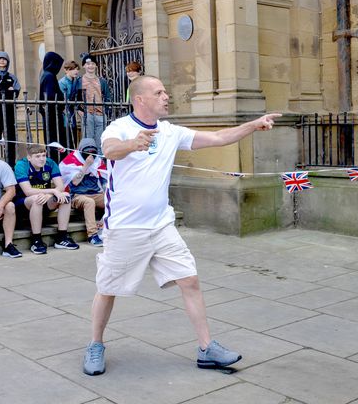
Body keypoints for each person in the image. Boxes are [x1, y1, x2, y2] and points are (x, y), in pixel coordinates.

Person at [82, 75, 280, 376]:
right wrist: (132, 144)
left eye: (165, 90)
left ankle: (206, 348)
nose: (166, 96)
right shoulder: (119, 128)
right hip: (125, 228)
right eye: (159, 92)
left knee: (190, 280)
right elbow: (109, 150)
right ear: (140, 99)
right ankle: (95, 345)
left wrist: (253, 125)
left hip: (162, 225)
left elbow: (217, 138)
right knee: (108, 289)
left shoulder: (170, 132)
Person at [14, 143, 79, 254]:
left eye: (43, 155)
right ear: (29, 158)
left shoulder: (50, 163)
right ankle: (36, 241)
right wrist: (52, 191)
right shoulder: (21, 165)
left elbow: (60, 187)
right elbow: (28, 191)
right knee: (36, 199)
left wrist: (49, 195)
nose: (42, 159)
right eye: (37, 156)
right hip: (23, 203)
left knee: (66, 197)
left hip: (45, 200)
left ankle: (61, 237)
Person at [59, 138, 107, 247]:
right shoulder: (71, 160)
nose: (90, 155)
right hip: (77, 195)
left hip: (95, 193)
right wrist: (86, 166)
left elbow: (105, 180)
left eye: (93, 152)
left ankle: (105, 223)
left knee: (114, 198)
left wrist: (104, 216)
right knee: (89, 202)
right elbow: (75, 182)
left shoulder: (98, 160)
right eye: (87, 152)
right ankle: (92, 235)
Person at [77, 53, 111, 155]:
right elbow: (75, 98)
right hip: (87, 113)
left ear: (96, 65)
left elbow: (108, 97)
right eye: (88, 64)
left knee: (100, 139)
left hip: (100, 114)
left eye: (92, 63)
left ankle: (99, 162)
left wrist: (106, 111)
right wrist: (79, 110)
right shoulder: (79, 81)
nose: (90, 66)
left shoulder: (102, 81)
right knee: (88, 139)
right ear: (84, 66)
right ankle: (87, 160)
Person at [39, 51, 67, 162]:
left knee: (53, 141)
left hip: (50, 114)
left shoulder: (45, 74)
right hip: (53, 114)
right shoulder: (49, 76)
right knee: (56, 141)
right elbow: (51, 96)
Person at [58, 60, 82, 150]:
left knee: (73, 138)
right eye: (72, 69)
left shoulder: (76, 81)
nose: (76, 71)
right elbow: (62, 99)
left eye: (76, 69)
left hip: (71, 113)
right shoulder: (62, 82)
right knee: (66, 137)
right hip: (64, 113)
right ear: (66, 70)